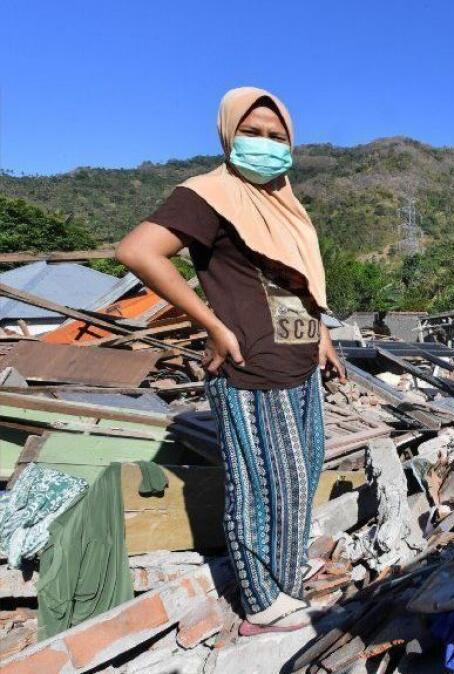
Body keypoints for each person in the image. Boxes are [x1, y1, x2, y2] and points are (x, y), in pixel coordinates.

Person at [116, 87, 345, 636]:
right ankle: (261, 602)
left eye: (277, 136)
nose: (266, 145)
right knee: (260, 483)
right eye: (254, 133)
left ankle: (286, 572)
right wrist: (211, 323)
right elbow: (137, 251)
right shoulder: (208, 194)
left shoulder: (280, 203)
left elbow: (288, 282)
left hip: (296, 365)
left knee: (300, 474)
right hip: (249, 369)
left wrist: (320, 338)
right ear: (228, 135)